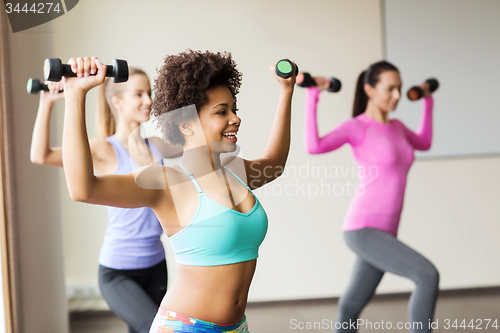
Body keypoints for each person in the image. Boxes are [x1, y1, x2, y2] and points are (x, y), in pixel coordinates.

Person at [60, 50, 295, 332]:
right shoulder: (168, 181)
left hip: (237, 327)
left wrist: (286, 91)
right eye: (222, 112)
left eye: (234, 109)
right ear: (186, 124)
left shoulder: (235, 169)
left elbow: (275, 164)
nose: (235, 119)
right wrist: (75, 95)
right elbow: (84, 188)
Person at [30, 68, 181, 333]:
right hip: (118, 271)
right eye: (138, 94)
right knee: (156, 329)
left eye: (149, 93)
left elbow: (196, 136)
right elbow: (40, 155)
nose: (148, 100)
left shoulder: (157, 145)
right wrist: (47, 103)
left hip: (156, 263)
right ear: (117, 102)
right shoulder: (104, 149)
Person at [303, 61, 439, 333]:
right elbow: (314, 146)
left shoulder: (398, 127)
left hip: (385, 233)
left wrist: (427, 101)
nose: (397, 95)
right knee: (427, 275)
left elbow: (424, 142)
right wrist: (312, 95)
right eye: (390, 89)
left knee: (350, 307)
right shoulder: (358, 127)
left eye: (399, 89)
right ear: (369, 89)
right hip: (363, 228)